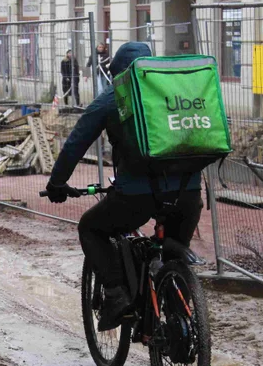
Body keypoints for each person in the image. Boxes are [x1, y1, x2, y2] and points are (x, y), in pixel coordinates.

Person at [43, 41, 203, 331]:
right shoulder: (173, 91)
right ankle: (185, 321)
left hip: (137, 197)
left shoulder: (113, 98)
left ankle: (117, 295)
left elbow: (76, 142)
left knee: (91, 228)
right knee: (173, 250)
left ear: (117, 74)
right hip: (188, 194)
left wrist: (57, 183)